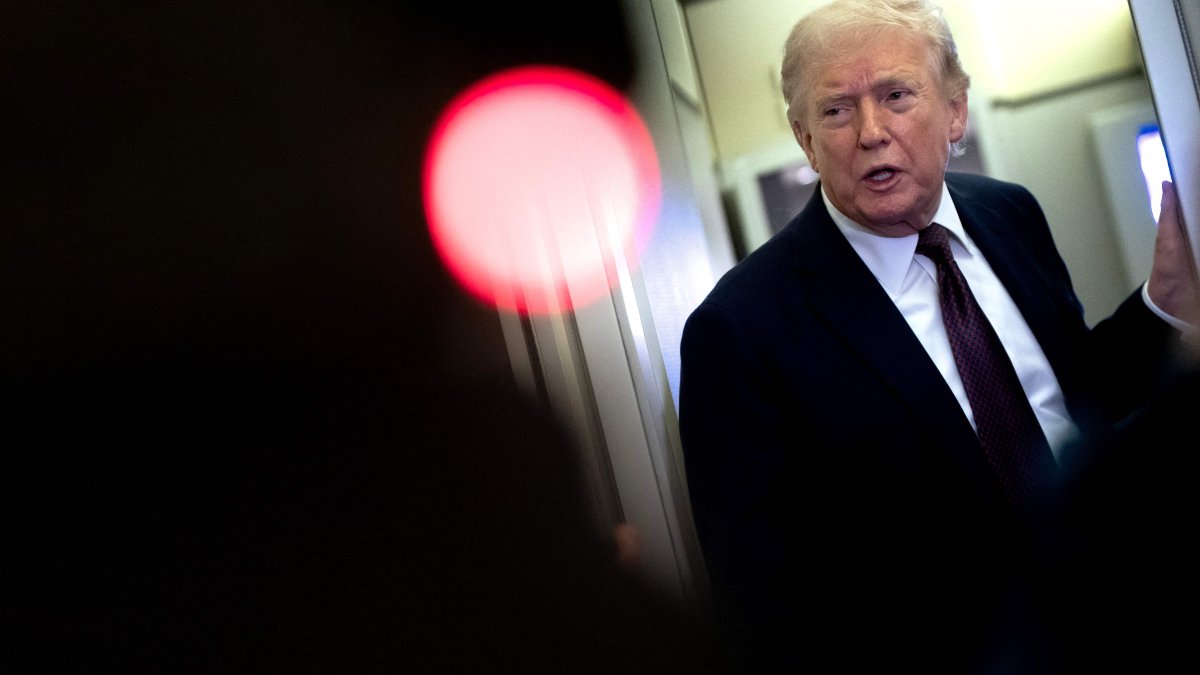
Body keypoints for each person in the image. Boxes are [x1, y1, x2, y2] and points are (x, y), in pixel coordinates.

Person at [677, 0, 1200, 672]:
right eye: (836, 110)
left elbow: (1071, 394)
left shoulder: (1009, 212)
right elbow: (763, 608)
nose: (871, 131)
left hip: (1121, 621)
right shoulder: (741, 329)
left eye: (896, 95)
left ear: (956, 111)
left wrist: (1165, 302)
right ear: (805, 139)